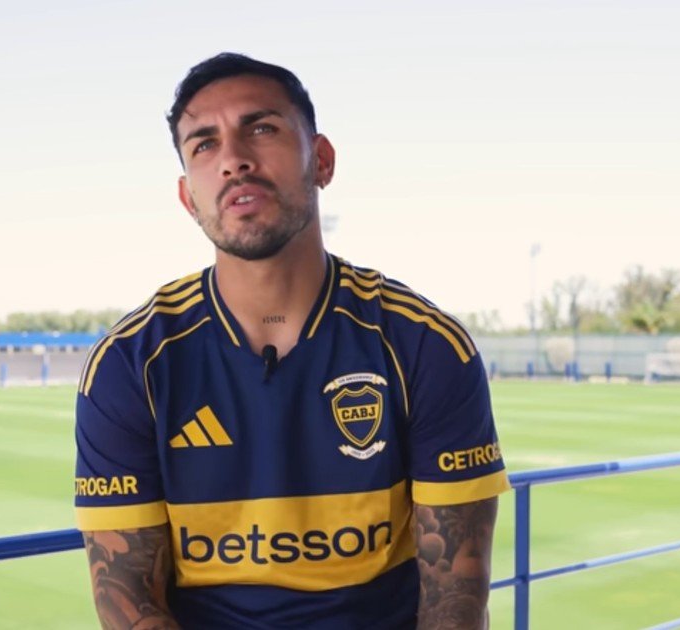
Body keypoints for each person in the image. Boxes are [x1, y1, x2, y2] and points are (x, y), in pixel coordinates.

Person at [74, 52, 510, 629]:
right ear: (188, 198)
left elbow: (455, 603)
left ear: (321, 160)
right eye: (204, 144)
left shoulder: (424, 344)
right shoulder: (130, 363)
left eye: (261, 129)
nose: (233, 159)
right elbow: (129, 600)